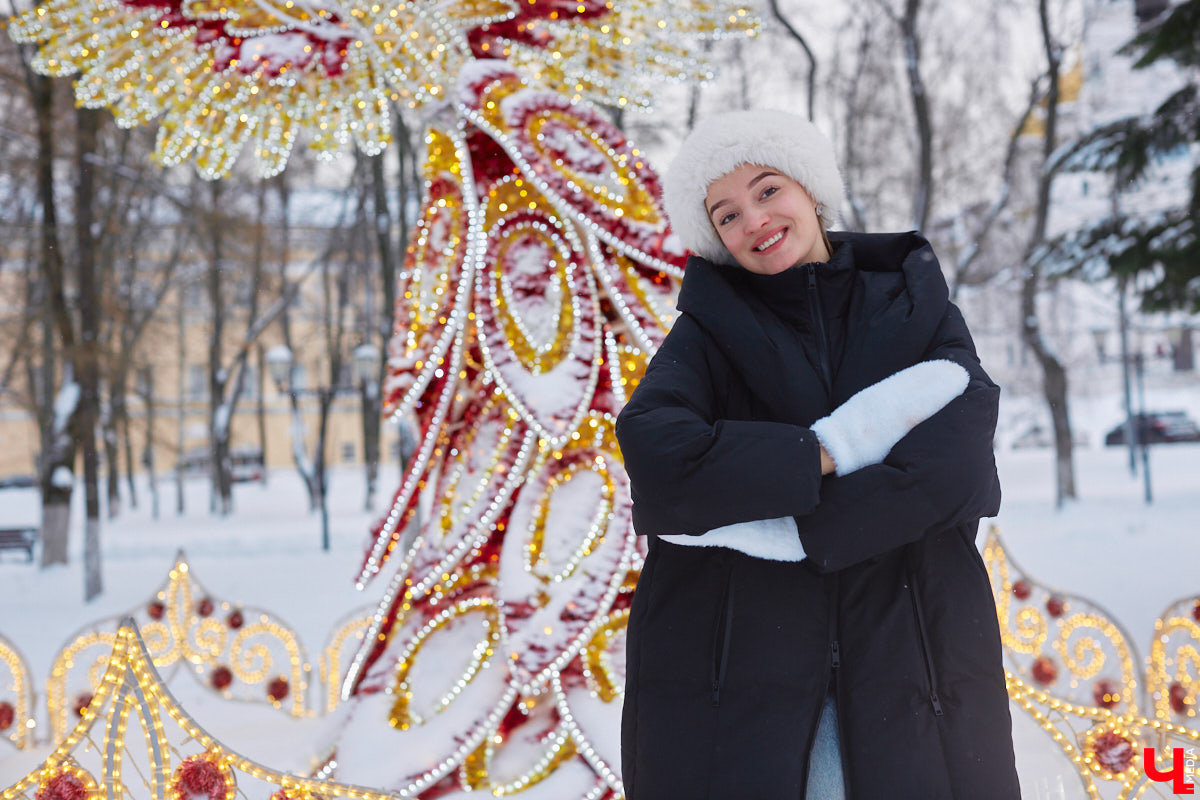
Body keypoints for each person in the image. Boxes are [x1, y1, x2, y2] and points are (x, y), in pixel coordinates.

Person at [614, 109, 1020, 799]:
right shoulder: (705, 334)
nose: (755, 221)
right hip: (737, 678)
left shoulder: (912, 304)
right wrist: (829, 453)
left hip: (911, 662)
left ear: (810, 188)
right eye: (727, 213)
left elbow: (957, 470)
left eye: (768, 190)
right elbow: (657, 455)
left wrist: (786, 525)